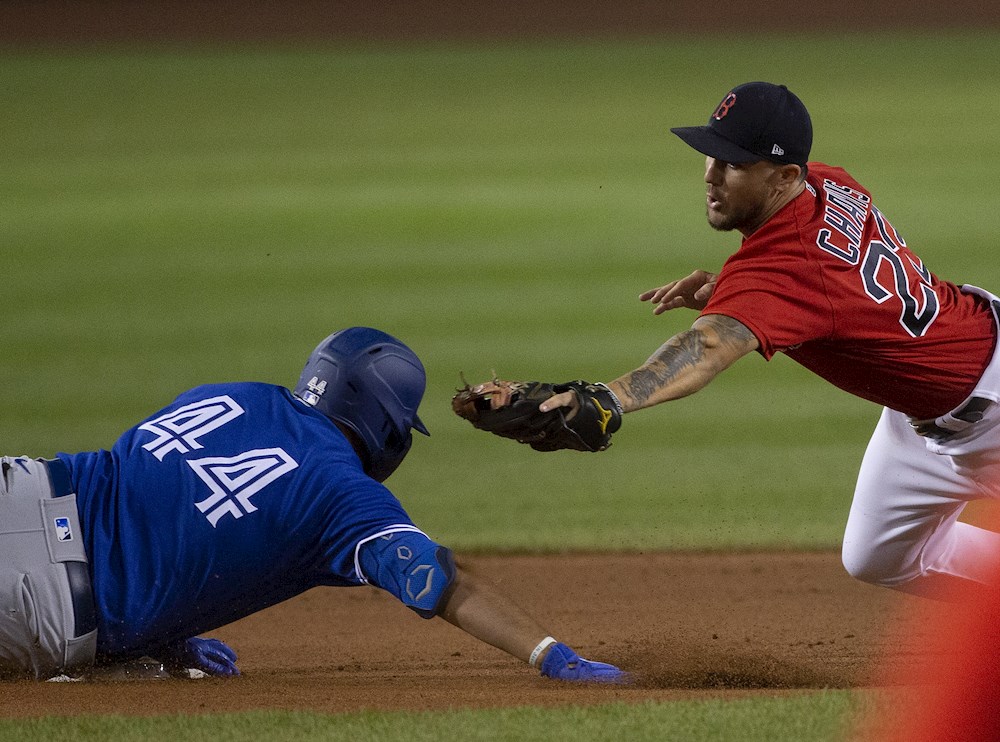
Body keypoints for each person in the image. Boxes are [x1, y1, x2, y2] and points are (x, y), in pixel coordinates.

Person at [540, 81, 1000, 601]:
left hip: (992, 406)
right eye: (711, 155)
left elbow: (709, 347)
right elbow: (832, 291)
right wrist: (734, 293)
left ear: (786, 176)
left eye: (734, 164)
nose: (712, 175)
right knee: (877, 555)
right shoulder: (829, 183)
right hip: (931, 400)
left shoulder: (785, 267)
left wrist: (609, 398)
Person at [0, 327, 629, 683]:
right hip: (44, 599)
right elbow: (436, 577)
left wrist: (166, 634)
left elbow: (155, 495)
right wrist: (553, 656)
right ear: (386, 425)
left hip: (26, 484)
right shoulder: (341, 494)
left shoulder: (230, 392)